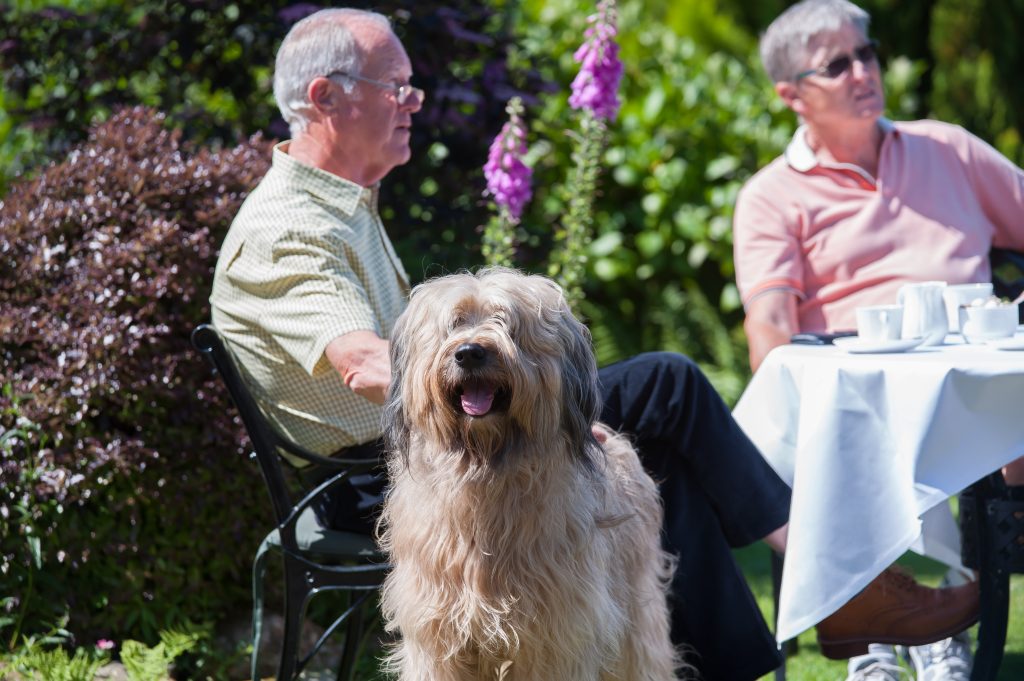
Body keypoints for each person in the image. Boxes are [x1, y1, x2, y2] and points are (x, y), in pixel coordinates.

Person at [210, 8, 978, 680]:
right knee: (669, 387)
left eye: (412, 86)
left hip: (426, 452)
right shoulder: (290, 229)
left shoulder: (343, 206)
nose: (413, 103)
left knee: (661, 457)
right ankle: (841, 587)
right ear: (325, 98)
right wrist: (563, 411)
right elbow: (365, 364)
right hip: (376, 478)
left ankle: (769, 636)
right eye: (396, 88)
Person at [733, 0, 1024, 679]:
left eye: (866, 52)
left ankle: (925, 624)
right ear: (791, 95)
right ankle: (892, 628)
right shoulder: (772, 196)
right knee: (859, 422)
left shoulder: (947, 149)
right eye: (838, 64)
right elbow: (771, 323)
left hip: (977, 371)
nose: (865, 70)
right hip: (861, 380)